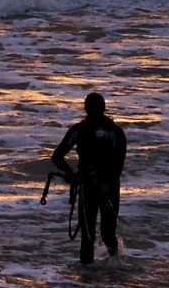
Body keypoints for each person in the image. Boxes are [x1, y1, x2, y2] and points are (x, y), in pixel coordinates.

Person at [50, 91, 127, 265]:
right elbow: (57, 156)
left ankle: (116, 265)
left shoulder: (115, 132)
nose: (93, 110)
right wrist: (69, 172)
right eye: (90, 106)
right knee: (87, 236)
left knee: (108, 235)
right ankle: (87, 280)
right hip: (87, 189)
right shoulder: (79, 131)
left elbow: (118, 163)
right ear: (85, 108)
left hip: (109, 188)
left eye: (96, 106)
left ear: (104, 108)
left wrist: (107, 183)